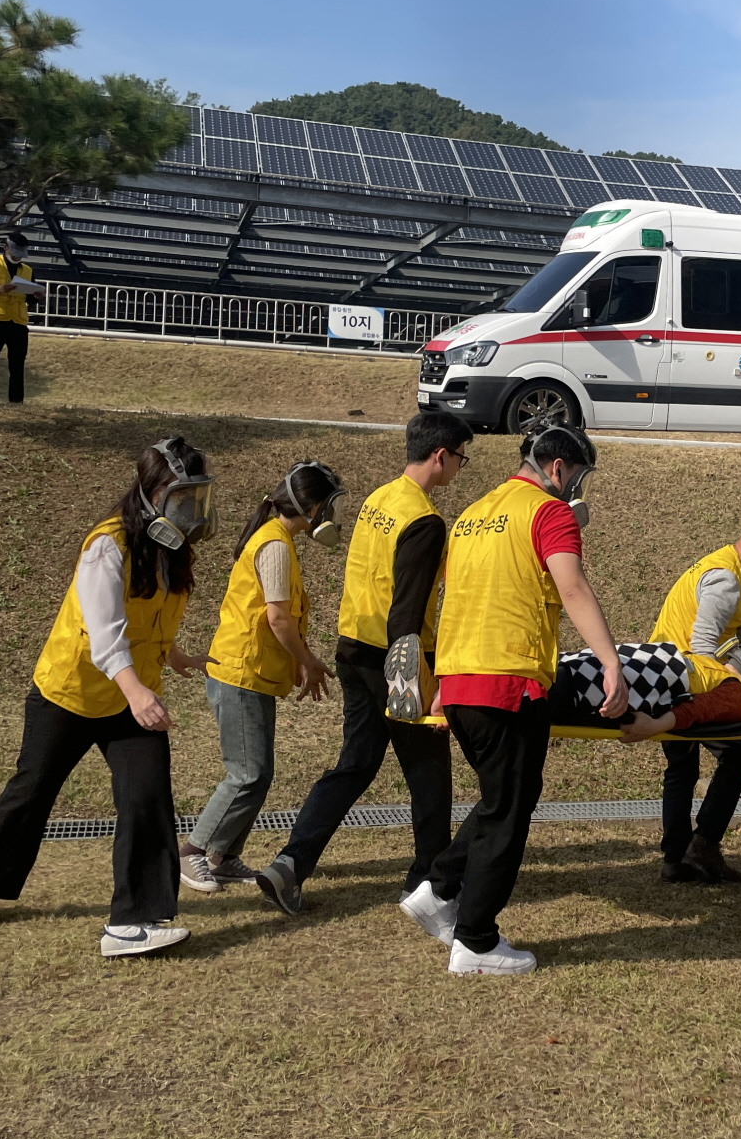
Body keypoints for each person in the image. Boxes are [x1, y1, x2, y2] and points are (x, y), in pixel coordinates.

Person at [0, 436, 217, 957]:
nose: (192, 510)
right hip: (70, 692)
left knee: (147, 796)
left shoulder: (173, 550)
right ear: (152, 492)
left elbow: (148, 617)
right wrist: (138, 691)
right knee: (31, 795)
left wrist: (173, 655)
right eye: (183, 497)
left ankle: (132, 923)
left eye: (198, 498)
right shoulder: (106, 545)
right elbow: (105, 633)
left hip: (129, 695)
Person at [397, 424, 627, 976]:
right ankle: (475, 940)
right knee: (509, 809)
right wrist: (611, 661)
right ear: (557, 468)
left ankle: (439, 889)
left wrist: (436, 684)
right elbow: (571, 587)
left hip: (459, 680)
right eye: (578, 477)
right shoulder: (549, 513)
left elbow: (456, 596)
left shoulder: (475, 515)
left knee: (504, 797)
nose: (576, 489)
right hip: (508, 682)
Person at [254, 413, 474, 916]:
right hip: (395, 657)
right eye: (461, 456)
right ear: (440, 455)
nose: (461, 466)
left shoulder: (379, 498)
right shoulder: (425, 521)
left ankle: (290, 862)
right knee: (428, 773)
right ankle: (429, 886)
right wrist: (414, 684)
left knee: (355, 764)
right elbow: (408, 610)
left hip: (353, 647)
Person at [180, 461, 343, 894]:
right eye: (327, 506)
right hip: (239, 673)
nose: (329, 516)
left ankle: (223, 855)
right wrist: (307, 661)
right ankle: (193, 852)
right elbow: (278, 620)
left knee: (259, 771)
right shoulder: (275, 545)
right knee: (246, 773)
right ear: (310, 507)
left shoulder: (278, 539)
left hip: (250, 674)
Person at [621, 506, 741, 885]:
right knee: (736, 753)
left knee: (682, 767)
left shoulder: (740, 575)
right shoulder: (725, 580)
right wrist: (740, 687)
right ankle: (702, 845)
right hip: (686, 682)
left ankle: (675, 859)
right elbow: (703, 648)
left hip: (672, 678)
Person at [0, 232, 43, 404]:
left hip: (18, 322)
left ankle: (16, 402)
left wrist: (36, 297)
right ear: (5, 248)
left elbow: (28, 299)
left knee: (17, 366)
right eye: (15, 253)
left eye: (21, 254)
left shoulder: (28, 270)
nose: (18, 257)